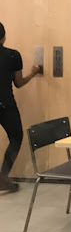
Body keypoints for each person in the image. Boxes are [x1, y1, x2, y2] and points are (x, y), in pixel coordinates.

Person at [0, 22, 42, 191]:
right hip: (5, 105)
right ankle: (3, 177)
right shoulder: (13, 55)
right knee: (16, 137)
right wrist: (33, 73)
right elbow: (18, 83)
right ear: (3, 37)